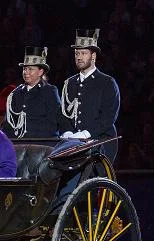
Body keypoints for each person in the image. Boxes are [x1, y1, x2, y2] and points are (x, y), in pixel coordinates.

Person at [60, 28, 121, 162]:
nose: (79, 57)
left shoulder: (107, 82)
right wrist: (68, 132)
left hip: (101, 142)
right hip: (73, 143)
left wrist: (86, 133)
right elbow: (64, 114)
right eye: (76, 53)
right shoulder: (69, 83)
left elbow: (108, 117)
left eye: (83, 53)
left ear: (93, 56)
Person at [1, 46, 62, 139]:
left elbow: (54, 123)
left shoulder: (49, 91)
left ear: (40, 72)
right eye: (24, 69)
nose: (26, 72)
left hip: (42, 144)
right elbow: (7, 124)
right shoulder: (16, 93)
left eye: (30, 69)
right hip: (19, 144)